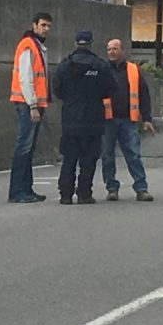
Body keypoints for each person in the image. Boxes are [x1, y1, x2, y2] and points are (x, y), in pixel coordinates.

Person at [53, 30, 115, 205]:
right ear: (91, 43)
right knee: (88, 159)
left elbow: (57, 89)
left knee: (69, 159)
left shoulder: (65, 65)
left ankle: (65, 195)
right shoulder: (100, 65)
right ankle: (84, 194)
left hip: (71, 118)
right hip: (93, 118)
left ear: (75, 43)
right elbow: (110, 88)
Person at [101, 39, 156, 202]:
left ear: (122, 51)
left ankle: (141, 188)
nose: (111, 51)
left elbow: (144, 95)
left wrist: (147, 118)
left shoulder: (133, 70)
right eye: (109, 49)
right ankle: (111, 188)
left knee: (133, 154)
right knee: (107, 155)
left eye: (115, 49)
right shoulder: (102, 70)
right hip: (107, 120)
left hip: (128, 120)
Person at [8, 12, 52, 203]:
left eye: (48, 26)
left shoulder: (37, 46)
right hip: (27, 104)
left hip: (33, 104)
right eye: (43, 25)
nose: (46, 29)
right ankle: (18, 191)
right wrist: (33, 104)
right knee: (24, 147)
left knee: (29, 148)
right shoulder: (28, 45)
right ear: (34, 25)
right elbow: (25, 78)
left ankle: (26, 189)